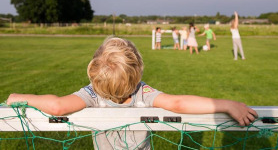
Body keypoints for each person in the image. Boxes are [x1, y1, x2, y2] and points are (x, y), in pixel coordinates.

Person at [7, 37, 257, 149]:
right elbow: (178, 103)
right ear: (137, 70)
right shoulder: (141, 92)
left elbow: (57, 107)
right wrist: (227, 104)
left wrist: (20, 98)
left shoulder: (92, 93)